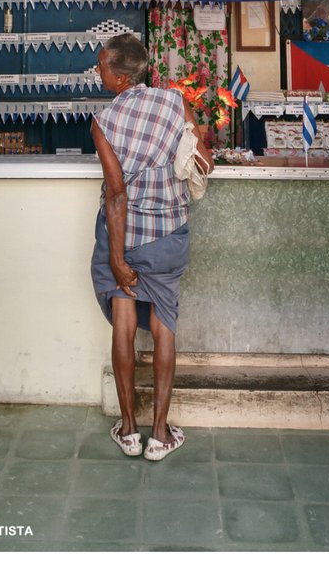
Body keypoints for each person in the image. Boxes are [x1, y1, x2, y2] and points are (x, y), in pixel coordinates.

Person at [89, 33, 212, 462]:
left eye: (102, 66)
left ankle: (128, 430)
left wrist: (117, 259)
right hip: (167, 234)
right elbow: (203, 159)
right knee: (164, 327)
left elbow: (116, 194)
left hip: (124, 236)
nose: (98, 71)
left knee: (123, 324)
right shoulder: (174, 101)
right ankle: (159, 434)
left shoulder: (104, 122)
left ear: (121, 77)